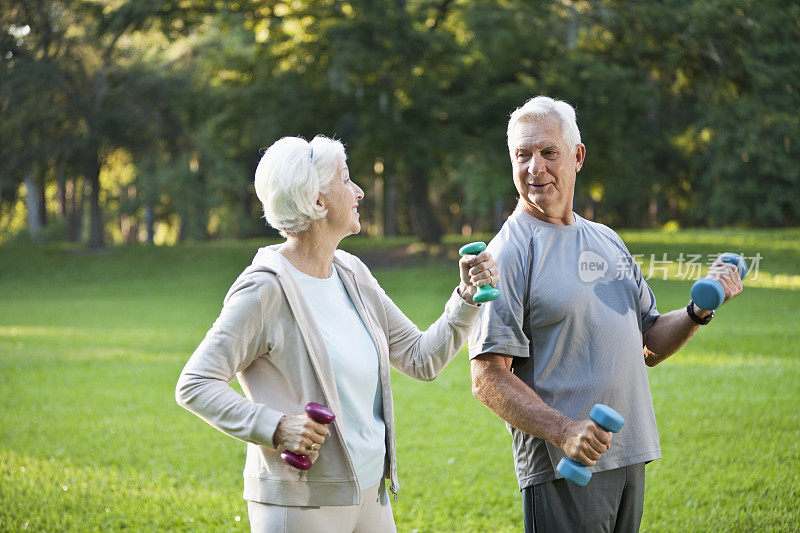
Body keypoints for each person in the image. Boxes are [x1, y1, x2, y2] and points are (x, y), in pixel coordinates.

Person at [175, 135, 498, 533]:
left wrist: (466, 298)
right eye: (346, 181)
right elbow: (195, 383)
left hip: (370, 493)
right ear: (316, 202)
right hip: (302, 505)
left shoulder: (351, 273)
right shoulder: (265, 289)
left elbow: (421, 358)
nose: (359, 191)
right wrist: (276, 427)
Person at [468, 96, 744, 532]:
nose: (534, 167)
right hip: (565, 468)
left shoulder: (606, 240)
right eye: (522, 155)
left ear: (577, 157)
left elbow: (648, 340)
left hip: (628, 455)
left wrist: (697, 311)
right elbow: (487, 377)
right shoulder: (509, 251)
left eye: (548, 152)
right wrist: (563, 431)